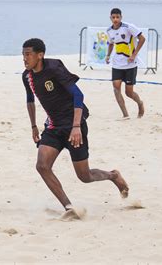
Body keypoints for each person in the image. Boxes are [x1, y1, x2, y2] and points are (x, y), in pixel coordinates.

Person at [22, 38, 129, 212]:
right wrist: (33, 126)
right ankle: (69, 207)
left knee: (85, 176)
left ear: (40, 55)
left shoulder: (54, 68)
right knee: (42, 166)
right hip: (53, 127)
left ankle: (113, 175)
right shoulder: (27, 77)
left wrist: (76, 126)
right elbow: (30, 101)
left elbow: (78, 95)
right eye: (23, 55)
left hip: (73, 125)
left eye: (28, 54)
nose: (25, 59)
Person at [105, 8, 146, 118]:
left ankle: (140, 103)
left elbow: (142, 39)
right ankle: (125, 115)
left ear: (121, 17)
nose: (115, 19)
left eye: (117, 17)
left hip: (130, 64)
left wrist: (134, 55)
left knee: (129, 93)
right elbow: (110, 44)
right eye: (113, 17)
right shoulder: (109, 30)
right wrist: (108, 55)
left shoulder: (128, 27)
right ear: (110, 18)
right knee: (116, 87)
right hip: (117, 63)